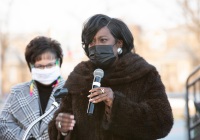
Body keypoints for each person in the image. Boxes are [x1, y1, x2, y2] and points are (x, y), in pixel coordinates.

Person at [48, 14, 173, 140]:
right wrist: (61, 128)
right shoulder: (79, 76)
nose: (96, 46)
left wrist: (116, 103)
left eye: (103, 40)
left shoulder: (143, 74)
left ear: (119, 43)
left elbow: (162, 122)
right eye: (91, 41)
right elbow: (60, 123)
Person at [0, 36, 65, 140]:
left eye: (49, 65)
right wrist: (25, 138)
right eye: (40, 66)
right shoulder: (18, 92)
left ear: (58, 63)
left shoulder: (71, 91)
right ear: (31, 66)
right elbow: (3, 123)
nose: (45, 70)